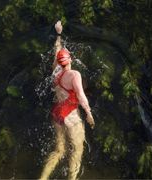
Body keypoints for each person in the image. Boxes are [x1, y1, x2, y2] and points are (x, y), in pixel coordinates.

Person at [40, 20, 95, 180]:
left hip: (57, 113)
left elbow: (57, 50)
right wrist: (89, 113)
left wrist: (58, 33)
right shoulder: (74, 75)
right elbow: (81, 96)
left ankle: (42, 178)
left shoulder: (55, 69)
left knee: (59, 150)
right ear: (70, 60)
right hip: (70, 117)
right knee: (77, 151)